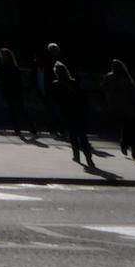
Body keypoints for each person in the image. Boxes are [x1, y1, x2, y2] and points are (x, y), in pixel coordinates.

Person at [46, 44, 99, 172]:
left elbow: (55, 99)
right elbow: (82, 97)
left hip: (66, 112)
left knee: (73, 135)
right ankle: (89, 158)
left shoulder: (56, 84)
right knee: (82, 136)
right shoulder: (74, 82)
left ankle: (76, 155)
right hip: (79, 112)